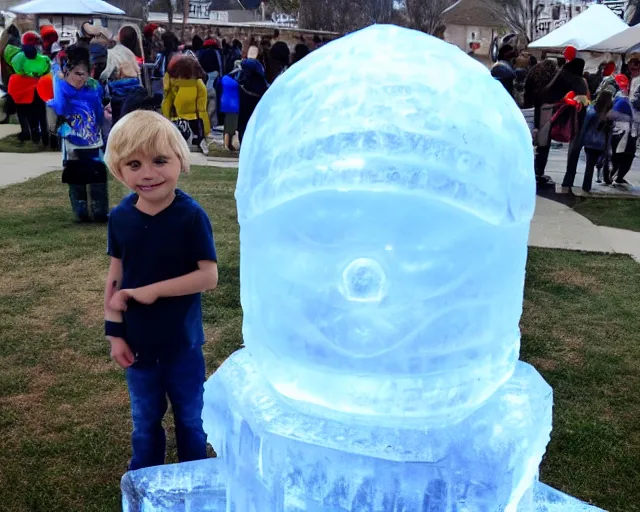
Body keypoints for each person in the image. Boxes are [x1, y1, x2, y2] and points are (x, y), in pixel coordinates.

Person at [103, 110, 218, 471]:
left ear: (181, 162)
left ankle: (193, 475)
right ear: (119, 170)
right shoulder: (120, 217)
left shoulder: (191, 216)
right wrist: (115, 333)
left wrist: (155, 290)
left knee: (189, 419)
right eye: (134, 164)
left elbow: (208, 276)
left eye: (160, 161)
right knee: (145, 422)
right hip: (137, 348)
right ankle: (145, 478)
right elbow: (115, 279)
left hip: (182, 346)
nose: (148, 173)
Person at [48, 43, 107, 222]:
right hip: (72, 139)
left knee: (97, 172)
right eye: (77, 74)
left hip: (93, 138)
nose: (81, 78)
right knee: (76, 174)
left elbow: (99, 112)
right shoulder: (60, 86)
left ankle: (100, 211)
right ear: (67, 71)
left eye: (85, 74)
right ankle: (80, 210)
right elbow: (57, 111)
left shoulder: (94, 87)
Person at [161, 54, 210, 154]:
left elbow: (167, 103)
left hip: (178, 121)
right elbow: (202, 109)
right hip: (193, 121)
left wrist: (166, 119)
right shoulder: (198, 84)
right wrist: (205, 129)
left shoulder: (172, 84)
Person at [8, 32, 51, 145]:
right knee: (41, 114)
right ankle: (45, 139)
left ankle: (34, 138)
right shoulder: (42, 56)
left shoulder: (18, 56)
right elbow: (47, 68)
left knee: (27, 114)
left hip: (23, 88)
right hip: (38, 87)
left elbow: (16, 67)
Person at [570, 90, 614, 192]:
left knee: (589, 166)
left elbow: (585, 125)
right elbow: (610, 131)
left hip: (590, 142)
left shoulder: (593, 111)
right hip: (602, 144)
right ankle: (601, 173)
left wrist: (580, 140)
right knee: (600, 161)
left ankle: (586, 186)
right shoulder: (609, 114)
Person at [237, 46, 269, 144]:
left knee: (243, 123)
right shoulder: (258, 66)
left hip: (244, 95)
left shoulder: (242, 64)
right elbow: (263, 81)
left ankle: (242, 142)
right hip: (255, 98)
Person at [609, 76, 637, 186]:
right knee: (622, 156)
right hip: (624, 133)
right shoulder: (622, 100)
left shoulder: (620, 99)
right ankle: (615, 176)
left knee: (622, 156)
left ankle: (615, 176)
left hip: (624, 132)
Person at [220, 60, 241, 151]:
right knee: (231, 127)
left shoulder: (224, 79)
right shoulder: (236, 82)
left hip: (225, 104)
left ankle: (228, 144)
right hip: (233, 106)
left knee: (227, 125)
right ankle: (226, 145)